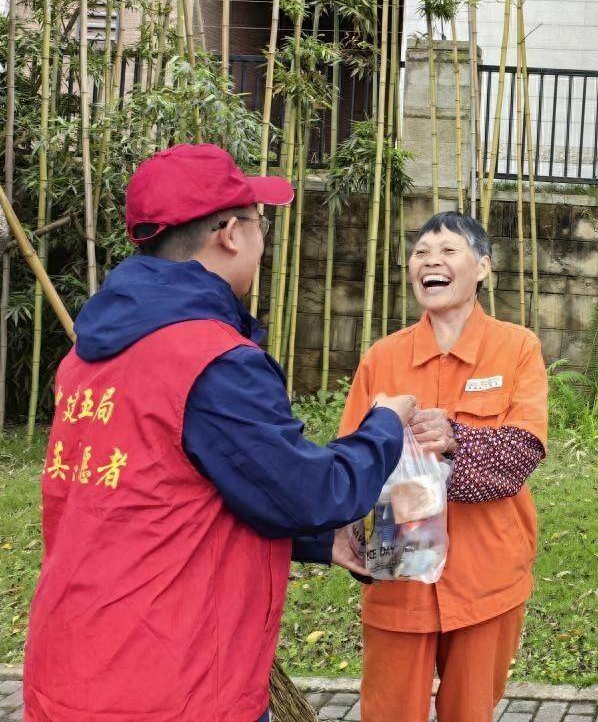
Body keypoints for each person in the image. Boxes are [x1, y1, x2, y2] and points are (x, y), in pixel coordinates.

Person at [23, 143, 415, 722]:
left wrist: (317, 542)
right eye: (260, 224)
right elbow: (313, 492)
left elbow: (164, 495)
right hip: (168, 686)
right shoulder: (210, 358)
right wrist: (386, 425)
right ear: (230, 233)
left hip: (72, 666)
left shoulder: (87, 357)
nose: (263, 241)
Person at [338, 211, 549, 722]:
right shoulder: (382, 358)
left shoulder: (517, 348)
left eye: (448, 250)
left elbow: (523, 450)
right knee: (388, 712)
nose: (431, 260)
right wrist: (342, 529)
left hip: (486, 576)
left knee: (470, 712)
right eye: (420, 253)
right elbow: (349, 461)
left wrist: (458, 439)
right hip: (400, 575)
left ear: (482, 267)